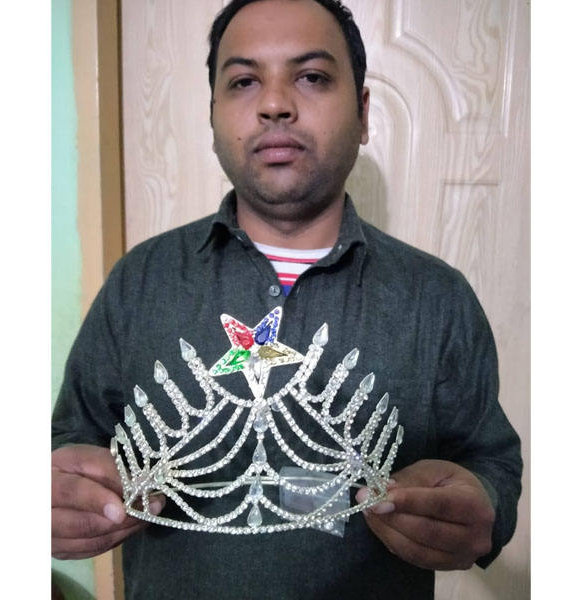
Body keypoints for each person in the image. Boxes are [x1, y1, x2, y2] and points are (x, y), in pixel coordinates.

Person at [51, 0, 522, 598]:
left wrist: (484, 507)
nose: (274, 104)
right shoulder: (138, 282)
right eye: (244, 81)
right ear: (213, 115)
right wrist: (60, 498)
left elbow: (491, 464)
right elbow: (68, 440)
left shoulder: (437, 298)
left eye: (312, 77)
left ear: (364, 113)